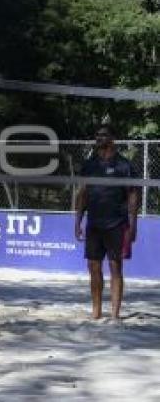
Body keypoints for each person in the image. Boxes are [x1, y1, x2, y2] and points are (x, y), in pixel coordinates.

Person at [74, 123, 139, 320]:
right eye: (97, 135)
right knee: (93, 267)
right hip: (94, 224)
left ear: (113, 139)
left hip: (117, 224)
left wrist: (133, 224)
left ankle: (114, 315)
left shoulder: (124, 165)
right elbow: (83, 193)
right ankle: (96, 312)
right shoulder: (89, 164)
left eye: (103, 135)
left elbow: (133, 195)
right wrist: (78, 220)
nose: (99, 138)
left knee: (115, 267)